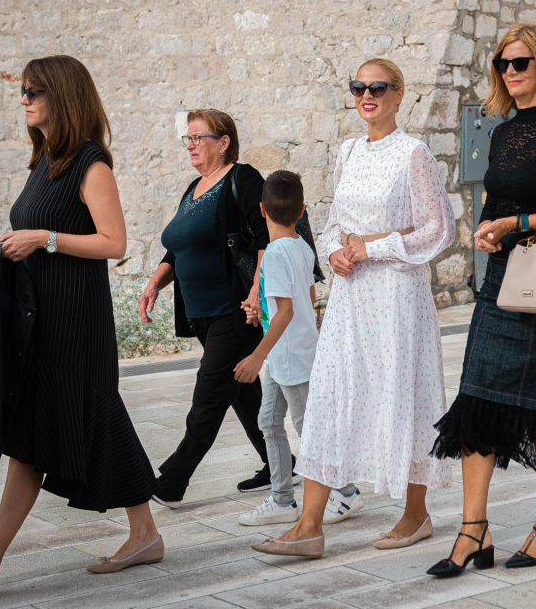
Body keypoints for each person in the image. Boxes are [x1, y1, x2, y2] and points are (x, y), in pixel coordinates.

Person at [0, 56, 162, 598]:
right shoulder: (46, 161)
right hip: (43, 322)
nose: (24, 99)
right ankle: (145, 534)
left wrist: (44, 239)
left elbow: (115, 243)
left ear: (63, 96)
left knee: (39, 435)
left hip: (75, 322)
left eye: (34, 91)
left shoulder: (91, 165)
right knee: (93, 417)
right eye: (23, 91)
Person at [252, 58, 455, 559]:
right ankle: (309, 526)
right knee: (330, 396)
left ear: (399, 93)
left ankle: (416, 514)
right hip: (350, 297)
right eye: (358, 87)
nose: (367, 95)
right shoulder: (347, 151)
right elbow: (332, 225)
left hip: (397, 297)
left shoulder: (414, 153)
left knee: (404, 393)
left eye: (378, 87)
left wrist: (372, 247)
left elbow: (439, 228)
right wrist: (334, 253)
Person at [428, 22, 536, 577]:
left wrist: (518, 223)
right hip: (501, 279)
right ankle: (473, 531)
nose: (510, 72)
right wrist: (485, 229)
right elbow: (494, 202)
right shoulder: (502, 132)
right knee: (475, 400)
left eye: (520, 62)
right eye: (503, 63)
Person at [140, 109, 312, 507]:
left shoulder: (242, 179)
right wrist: (154, 284)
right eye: (187, 139)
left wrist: (256, 289)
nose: (190, 145)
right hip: (201, 314)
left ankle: (172, 481)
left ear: (224, 142)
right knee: (241, 391)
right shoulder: (194, 188)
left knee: (209, 396)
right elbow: (178, 247)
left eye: (198, 138)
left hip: (234, 311)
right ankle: (280, 466)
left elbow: (267, 236)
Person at [233, 171, 318, 527]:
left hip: (291, 356)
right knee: (268, 421)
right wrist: (262, 312)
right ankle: (283, 498)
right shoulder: (302, 247)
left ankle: (345, 492)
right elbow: (306, 298)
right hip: (284, 354)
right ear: (301, 211)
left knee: (307, 429)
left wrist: (257, 355)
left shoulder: (276, 254)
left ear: (262, 209)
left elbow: (286, 311)